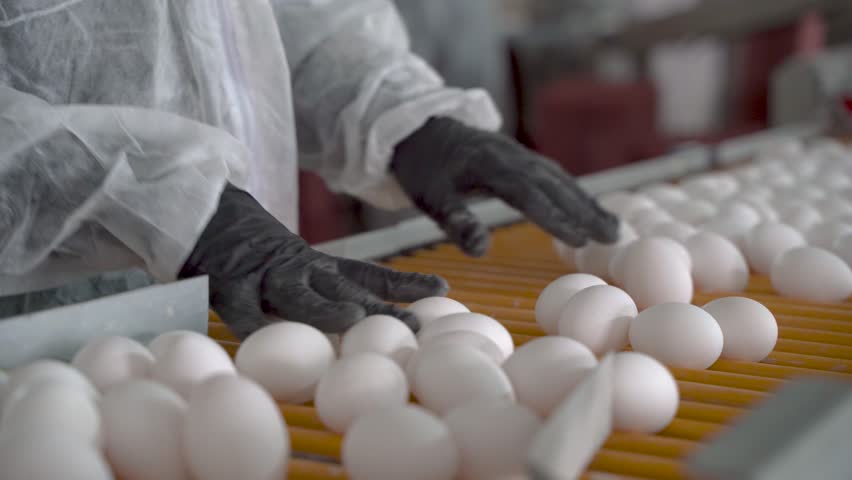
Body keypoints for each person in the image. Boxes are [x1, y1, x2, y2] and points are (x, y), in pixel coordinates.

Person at [0, 0, 618, 339]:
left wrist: (404, 116)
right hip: (34, 315)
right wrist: (158, 197)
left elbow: (296, 20)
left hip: (244, 298)